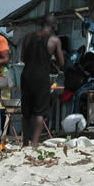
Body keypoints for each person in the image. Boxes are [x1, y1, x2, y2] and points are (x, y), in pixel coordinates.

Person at [20, 15, 64, 147]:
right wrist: (50, 59)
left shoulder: (27, 37)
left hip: (26, 75)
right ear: (54, 26)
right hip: (41, 77)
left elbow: (22, 58)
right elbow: (61, 62)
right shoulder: (54, 40)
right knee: (39, 112)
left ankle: (24, 143)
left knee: (26, 112)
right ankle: (34, 143)